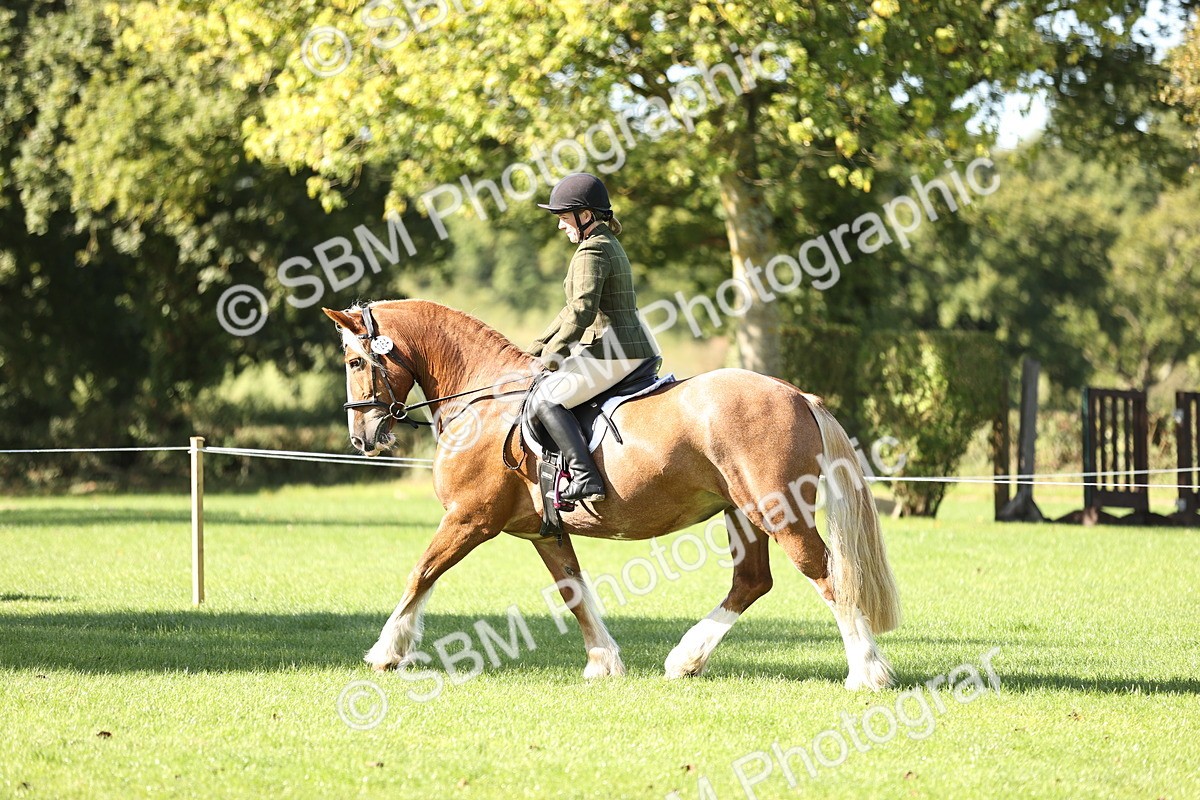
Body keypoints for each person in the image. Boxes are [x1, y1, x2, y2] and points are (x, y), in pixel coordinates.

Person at [526, 173, 660, 503]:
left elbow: (583, 311)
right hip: (629, 348)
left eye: (563, 217)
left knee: (546, 400)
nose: (560, 226)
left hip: (617, 353)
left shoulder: (591, 251)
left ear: (585, 216)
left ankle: (585, 476)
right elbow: (571, 309)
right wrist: (537, 348)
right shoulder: (605, 244)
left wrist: (554, 358)